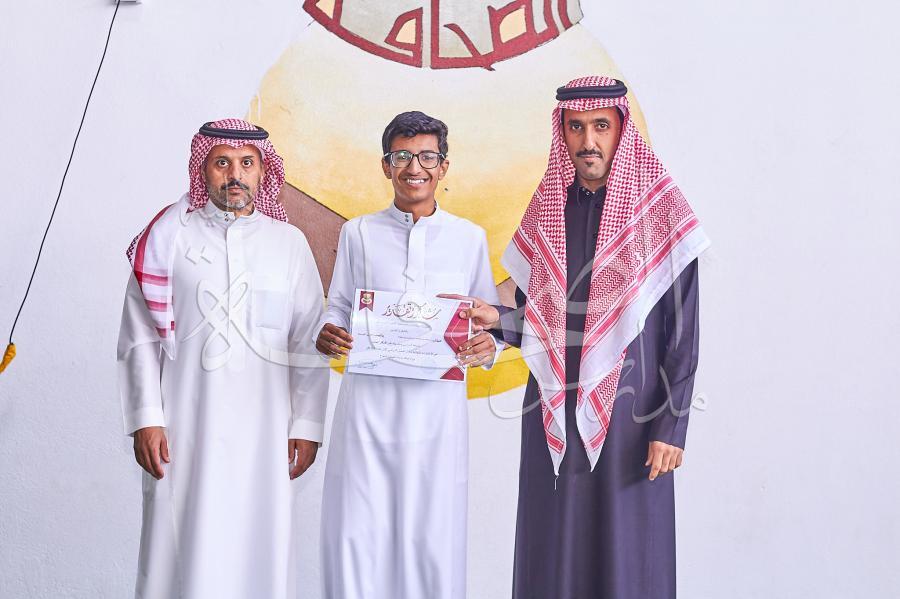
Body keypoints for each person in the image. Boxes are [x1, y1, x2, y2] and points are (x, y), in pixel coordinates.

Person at [461, 76, 711, 598]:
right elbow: (544, 322)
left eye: (600, 126)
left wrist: (671, 425)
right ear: (563, 134)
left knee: (628, 553)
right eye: (576, 128)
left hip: (634, 417)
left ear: (622, 128)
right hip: (552, 408)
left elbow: (683, 332)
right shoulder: (548, 211)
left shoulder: (660, 213)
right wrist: (497, 321)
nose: (588, 141)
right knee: (553, 546)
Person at [117, 119, 328, 599]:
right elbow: (138, 337)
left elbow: (307, 341)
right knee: (179, 548)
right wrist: (146, 418)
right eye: (222, 163)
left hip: (266, 433)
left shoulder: (288, 244)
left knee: (259, 545)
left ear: (263, 172)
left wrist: (307, 425)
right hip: (184, 426)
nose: (235, 174)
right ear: (203, 169)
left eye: (247, 163)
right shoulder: (169, 238)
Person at [315, 111, 502, 599]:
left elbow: (486, 319)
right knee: (357, 533)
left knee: (431, 538)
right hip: (367, 411)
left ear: (444, 166)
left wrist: (490, 346)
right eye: (402, 156)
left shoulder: (468, 238)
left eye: (426, 157)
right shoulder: (358, 232)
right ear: (386, 165)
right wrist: (327, 331)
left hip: (437, 418)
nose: (414, 167)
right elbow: (338, 304)